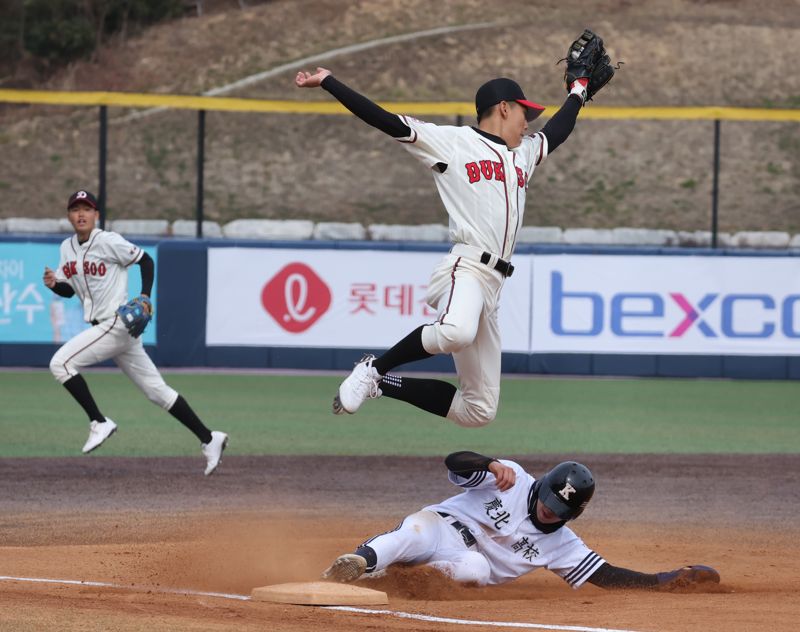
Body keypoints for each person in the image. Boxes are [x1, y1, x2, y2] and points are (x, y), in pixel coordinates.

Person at [295, 35, 598, 427]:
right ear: (503, 108)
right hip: (466, 268)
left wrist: (578, 90)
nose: (529, 123)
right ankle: (373, 368)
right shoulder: (454, 143)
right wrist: (330, 82)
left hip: (493, 284)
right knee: (455, 330)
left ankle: (382, 383)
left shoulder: (521, 155)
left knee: (479, 410)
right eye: (525, 114)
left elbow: (558, 130)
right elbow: (386, 121)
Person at [322, 452, 720, 591]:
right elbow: (454, 462)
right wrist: (487, 464)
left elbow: (607, 575)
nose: (549, 511)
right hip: (441, 525)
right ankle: (356, 563)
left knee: (476, 567)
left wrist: (666, 580)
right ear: (543, 484)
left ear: (573, 514)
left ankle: (393, 581)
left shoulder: (563, 544)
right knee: (413, 532)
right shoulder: (510, 476)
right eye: (548, 500)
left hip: (461, 565)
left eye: (560, 510)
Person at [43, 189, 229, 475]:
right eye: (75, 209)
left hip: (116, 324)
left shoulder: (108, 241)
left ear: (96, 215)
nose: (81, 214)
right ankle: (209, 438)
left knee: (61, 363)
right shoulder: (66, 248)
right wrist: (56, 285)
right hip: (114, 332)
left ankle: (99, 421)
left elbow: (146, 260)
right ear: (69, 215)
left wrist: (144, 296)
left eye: (87, 208)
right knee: (157, 392)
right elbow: (70, 290)